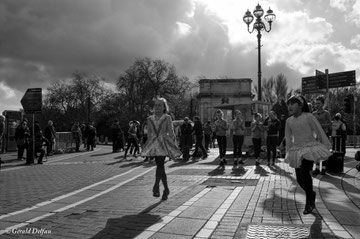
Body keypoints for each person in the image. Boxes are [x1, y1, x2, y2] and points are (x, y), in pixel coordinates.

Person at [285, 94, 331, 214]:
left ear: (300, 105)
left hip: (309, 148)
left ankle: (309, 203)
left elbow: (319, 131)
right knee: (300, 179)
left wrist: (325, 145)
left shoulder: (309, 116)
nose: (289, 107)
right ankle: (311, 194)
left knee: (305, 173)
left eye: (292, 104)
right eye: (288, 104)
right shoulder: (289, 121)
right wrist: (288, 152)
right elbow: (288, 138)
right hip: (296, 150)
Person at [141, 97, 181, 200]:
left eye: (160, 105)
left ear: (164, 107)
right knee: (160, 167)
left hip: (163, 143)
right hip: (154, 144)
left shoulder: (167, 117)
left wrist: (173, 147)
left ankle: (156, 186)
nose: (157, 107)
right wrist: (147, 146)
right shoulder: (149, 119)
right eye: (156, 105)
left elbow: (171, 133)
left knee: (160, 164)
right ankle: (166, 189)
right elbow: (149, 134)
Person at [312, 95, 332, 175]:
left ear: (322, 104)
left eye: (319, 103)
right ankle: (317, 168)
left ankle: (323, 168)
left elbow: (330, 124)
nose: (317, 105)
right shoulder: (313, 113)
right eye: (316, 103)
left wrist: (321, 125)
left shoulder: (326, 113)